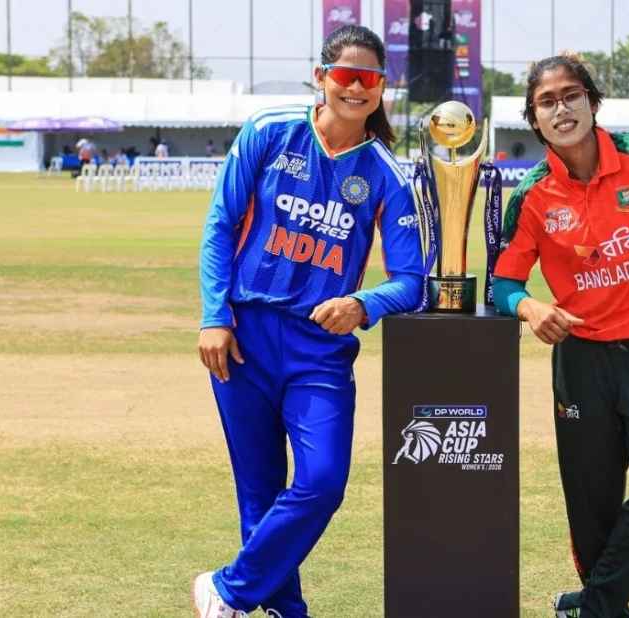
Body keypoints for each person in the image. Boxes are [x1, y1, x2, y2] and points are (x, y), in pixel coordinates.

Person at [194, 24, 423, 618]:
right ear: (321, 77)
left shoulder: (387, 173)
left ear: (382, 88)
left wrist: (362, 304)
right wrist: (214, 316)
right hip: (243, 338)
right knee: (259, 489)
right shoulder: (269, 131)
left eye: (370, 79)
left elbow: (412, 281)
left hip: (319, 349)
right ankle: (284, 611)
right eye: (345, 75)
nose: (357, 88)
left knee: (321, 482)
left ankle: (228, 589)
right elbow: (220, 225)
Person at [491, 53, 629, 618]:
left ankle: (591, 608)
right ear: (534, 119)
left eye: (572, 95)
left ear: (592, 102)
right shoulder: (533, 195)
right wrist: (529, 307)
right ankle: (599, 607)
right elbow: (503, 283)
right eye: (547, 102)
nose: (561, 109)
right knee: (592, 503)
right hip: (581, 360)